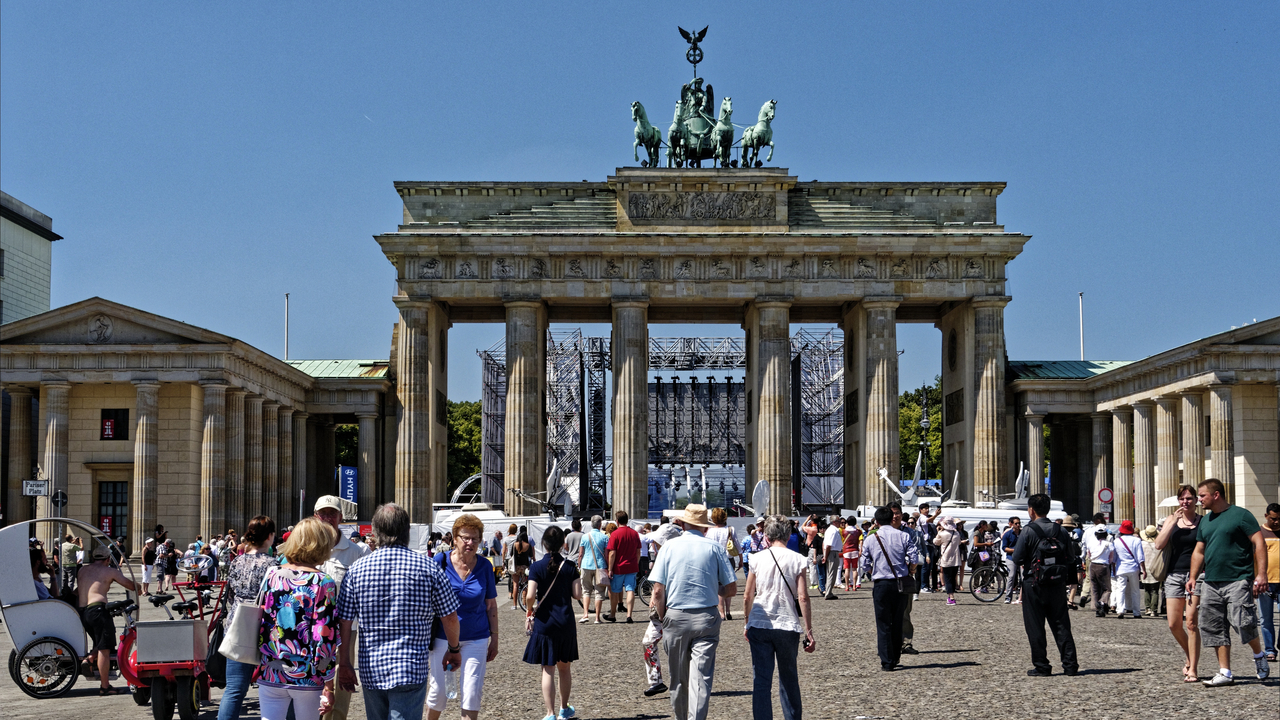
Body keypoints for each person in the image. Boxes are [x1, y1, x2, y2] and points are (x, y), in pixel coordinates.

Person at [336, 503, 463, 720]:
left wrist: (345, 662)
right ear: (408, 531)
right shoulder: (429, 567)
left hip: (372, 667)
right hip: (410, 666)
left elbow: (344, 621)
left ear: (375, 532)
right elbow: (450, 617)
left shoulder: (357, 570)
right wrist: (453, 648)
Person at [648, 504, 738, 720]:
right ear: (704, 528)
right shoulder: (715, 548)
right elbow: (731, 589)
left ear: (682, 523)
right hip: (706, 617)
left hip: (675, 616)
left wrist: (662, 618)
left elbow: (658, 591)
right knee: (701, 678)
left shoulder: (668, 547)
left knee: (678, 678)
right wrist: (710, 587)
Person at [1186, 478, 1270, 685]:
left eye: (1202, 495)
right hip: (1211, 581)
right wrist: (1193, 577)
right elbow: (1199, 551)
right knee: (1214, 627)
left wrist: (1261, 574)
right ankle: (1225, 672)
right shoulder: (1205, 521)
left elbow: (1259, 542)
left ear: (1216, 495)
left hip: (1238, 579)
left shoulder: (1241, 515)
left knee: (1243, 622)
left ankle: (1259, 655)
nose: (1199, 500)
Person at [257, 517, 340, 720]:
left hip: (271, 668)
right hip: (307, 674)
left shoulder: (272, 575)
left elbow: (263, 618)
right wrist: (329, 682)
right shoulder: (323, 582)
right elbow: (324, 634)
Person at [742, 514, 814, 720]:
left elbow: (748, 595)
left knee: (761, 680)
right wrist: (808, 630)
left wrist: (747, 622)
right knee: (789, 678)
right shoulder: (798, 559)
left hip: (760, 621)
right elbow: (803, 597)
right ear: (788, 534)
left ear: (766, 535)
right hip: (787, 622)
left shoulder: (756, 558)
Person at [427, 514, 498, 720]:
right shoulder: (440, 561)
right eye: (465, 538)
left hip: (476, 637)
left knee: (471, 693)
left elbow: (491, 604)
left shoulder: (485, 566)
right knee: (438, 693)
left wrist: (495, 638)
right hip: (443, 637)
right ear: (454, 538)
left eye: (475, 539)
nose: (470, 543)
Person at [311, 495, 371, 720]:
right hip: (310, 627)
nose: (327, 518)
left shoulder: (358, 552)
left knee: (340, 676)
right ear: (316, 516)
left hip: (345, 627)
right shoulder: (307, 548)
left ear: (341, 517)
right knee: (311, 675)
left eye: (332, 513)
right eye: (323, 513)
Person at [1011, 493, 1079, 677]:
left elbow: (1016, 558)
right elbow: (1071, 558)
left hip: (1034, 583)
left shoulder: (1028, 530)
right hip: (1057, 584)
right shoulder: (1061, 531)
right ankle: (1070, 665)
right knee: (1061, 625)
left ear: (1031, 510)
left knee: (1035, 626)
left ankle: (1042, 666)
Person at [219, 515, 278, 720]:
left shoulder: (237, 562)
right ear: (270, 537)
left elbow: (231, 594)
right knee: (278, 686)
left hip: (238, 624)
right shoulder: (273, 564)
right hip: (266, 627)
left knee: (234, 689)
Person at [523, 525, 582, 720]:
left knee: (547, 669)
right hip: (565, 622)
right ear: (563, 544)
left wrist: (530, 610)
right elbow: (577, 594)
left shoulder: (536, 567)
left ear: (544, 544)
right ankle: (565, 708)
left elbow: (530, 595)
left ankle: (550, 713)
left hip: (545, 622)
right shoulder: (571, 566)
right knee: (564, 668)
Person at [1155, 484, 1205, 682]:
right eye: (1182, 498)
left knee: (1191, 623)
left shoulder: (1204, 521)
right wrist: (1171, 523)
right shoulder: (1171, 520)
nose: (1186, 502)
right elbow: (1159, 544)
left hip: (1198, 575)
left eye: (1190, 498)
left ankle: (1193, 668)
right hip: (1174, 575)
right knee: (1174, 624)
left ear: (1196, 501)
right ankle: (1189, 654)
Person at [77, 543, 140, 695]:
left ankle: (90, 658)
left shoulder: (83, 570)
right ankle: (105, 686)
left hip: (83, 612)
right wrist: (139, 586)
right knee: (105, 648)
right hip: (98, 610)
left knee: (99, 642)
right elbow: (130, 585)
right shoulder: (109, 571)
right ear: (108, 559)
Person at [859, 506, 910, 671]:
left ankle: (887, 661)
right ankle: (895, 656)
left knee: (882, 623)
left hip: (881, 583)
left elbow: (864, 563)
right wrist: (910, 569)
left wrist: (873, 570)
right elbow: (915, 557)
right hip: (900, 583)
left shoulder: (870, 538)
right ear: (891, 519)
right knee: (897, 621)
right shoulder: (903, 535)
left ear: (876, 521)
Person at [640, 517, 682, 698]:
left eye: (657, 542)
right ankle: (683, 679)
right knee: (681, 646)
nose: (654, 545)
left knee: (650, 643)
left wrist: (660, 611)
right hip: (682, 608)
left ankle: (657, 680)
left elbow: (658, 591)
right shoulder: (680, 556)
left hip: (665, 611)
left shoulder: (664, 557)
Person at [890, 503, 921, 654]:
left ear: (902, 515)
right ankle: (890, 642)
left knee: (905, 611)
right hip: (887, 577)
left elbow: (915, 553)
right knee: (887, 612)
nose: (895, 516)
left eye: (897, 513)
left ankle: (906, 642)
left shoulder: (910, 533)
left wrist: (912, 569)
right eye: (892, 513)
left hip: (905, 576)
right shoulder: (880, 533)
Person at [606, 510, 642, 623]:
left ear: (617, 521)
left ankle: (612, 614)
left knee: (615, 591)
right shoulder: (634, 533)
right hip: (631, 566)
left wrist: (610, 569)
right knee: (630, 590)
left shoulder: (615, 534)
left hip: (618, 567)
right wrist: (636, 562)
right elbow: (638, 551)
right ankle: (629, 615)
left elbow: (612, 553)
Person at [1257, 502, 1280, 662]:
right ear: (1266, 516)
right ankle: (1270, 649)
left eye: (1279, 518)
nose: (1277, 522)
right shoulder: (1259, 533)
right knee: (1266, 618)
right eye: (1274, 519)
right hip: (1265, 581)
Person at [1111, 520, 1146, 620]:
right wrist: (1143, 570)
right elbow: (1140, 557)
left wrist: (1114, 569)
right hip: (1134, 568)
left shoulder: (1117, 541)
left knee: (1120, 590)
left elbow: (1114, 559)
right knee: (1135, 590)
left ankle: (1120, 610)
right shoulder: (1137, 540)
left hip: (1121, 568)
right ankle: (1136, 612)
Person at [578, 516, 610, 624]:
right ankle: (597, 618)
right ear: (600, 525)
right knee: (599, 591)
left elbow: (580, 554)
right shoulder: (604, 537)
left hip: (586, 565)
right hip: (600, 566)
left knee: (586, 590)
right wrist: (608, 567)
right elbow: (606, 555)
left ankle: (585, 614)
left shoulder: (584, 537)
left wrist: (579, 565)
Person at [1084, 517, 1114, 616]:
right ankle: (1102, 602)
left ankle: (1096, 607)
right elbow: (1111, 559)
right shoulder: (1109, 544)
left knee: (1095, 587)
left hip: (1093, 565)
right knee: (1107, 589)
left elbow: (1088, 555)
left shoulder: (1090, 543)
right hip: (1103, 566)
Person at [933, 516, 963, 606]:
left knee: (947, 578)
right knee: (953, 578)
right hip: (956, 559)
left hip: (946, 558)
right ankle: (951, 595)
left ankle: (951, 597)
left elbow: (935, 542)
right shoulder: (956, 533)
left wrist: (938, 532)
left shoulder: (942, 534)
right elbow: (959, 543)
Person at [1139, 525, 1162, 617]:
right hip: (1156, 568)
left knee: (1146, 589)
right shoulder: (1158, 545)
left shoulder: (1142, 544)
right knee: (1155, 590)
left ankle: (1147, 608)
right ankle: (1154, 610)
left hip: (1144, 568)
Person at [820, 515, 843, 600]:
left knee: (830, 573)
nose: (840, 522)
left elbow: (824, 544)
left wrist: (825, 554)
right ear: (834, 522)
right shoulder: (833, 531)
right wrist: (825, 556)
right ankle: (828, 593)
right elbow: (829, 545)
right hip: (832, 553)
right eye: (838, 521)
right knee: (832, 574)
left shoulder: (830, 530)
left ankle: (828, 591)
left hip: (830, 552)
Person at [1002, 516, 1023, 604]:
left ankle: (1023, 597)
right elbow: (1004, 548)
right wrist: (1015, 550)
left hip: (1022, 558)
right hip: (1011, 557)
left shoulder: (1023, 533)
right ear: (1011, 524)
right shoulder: (1008, 534)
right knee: (1011, 576)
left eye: (1019, 523)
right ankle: (1008, 597)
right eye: (1016, 523)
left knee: (1024, 577)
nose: (1018, 525)